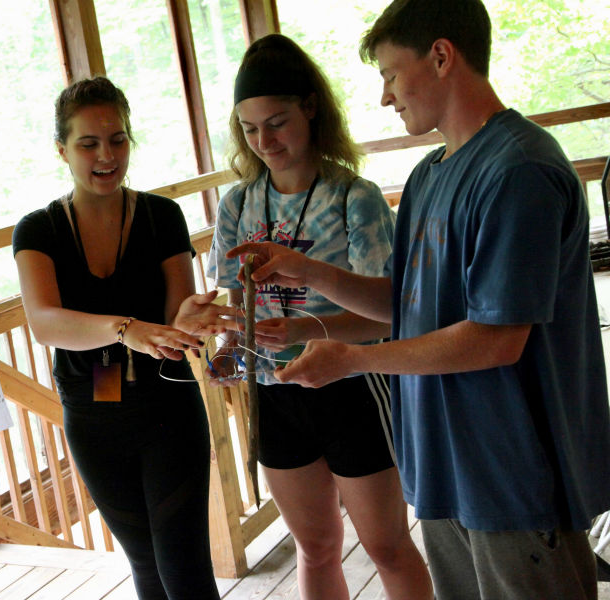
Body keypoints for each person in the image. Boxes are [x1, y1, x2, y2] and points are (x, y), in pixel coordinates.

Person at [228, 2, 610, 599]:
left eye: (389, 73)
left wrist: (353, 360)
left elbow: (497, 339)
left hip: (514, 474)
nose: (385, 97)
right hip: (441, 466)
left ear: (440, 56)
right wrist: (307, 271)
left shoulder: (519, 170)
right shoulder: (432, 173)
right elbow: (402, 303)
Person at [204, 34, 432, 600]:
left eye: (276, 122)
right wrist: (219, 337)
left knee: (386, 547)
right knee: (316, 548)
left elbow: (389, 314)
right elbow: (231, 304)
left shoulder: (354, 197)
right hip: (275, 390)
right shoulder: (236, 205)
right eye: (251, 129)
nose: (265, 141)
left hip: (353, 386)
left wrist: (307, 328)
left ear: (310, 108)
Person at [12, 76, 233, 599]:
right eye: (88, 143)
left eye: (117, 140)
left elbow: (177, 318)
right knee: (146, 568)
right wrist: (124, 329)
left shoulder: (162, 216)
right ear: (62, 150)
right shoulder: (38, 230)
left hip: (167, 408)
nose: (105, 155)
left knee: (183, 565)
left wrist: (193, 317)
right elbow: (44, 322)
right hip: (93, 411)